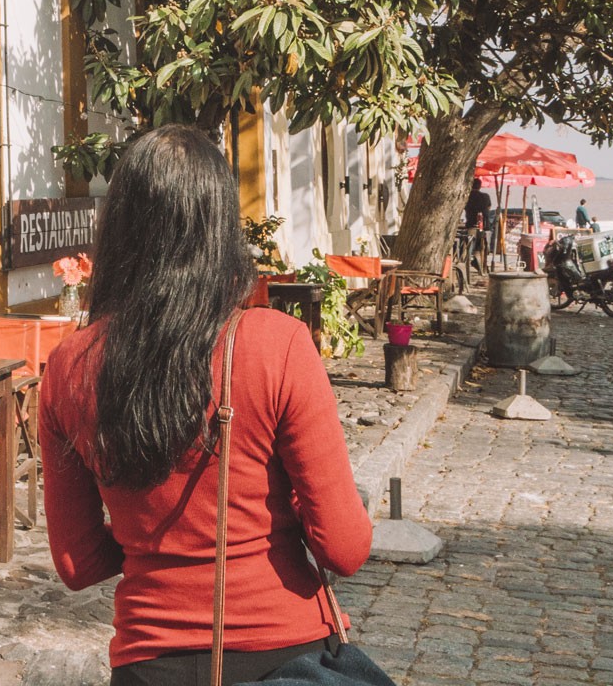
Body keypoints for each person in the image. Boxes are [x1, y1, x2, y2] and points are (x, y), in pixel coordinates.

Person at [40, 125, 372, 686]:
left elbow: (78, 564)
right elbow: (344, 547)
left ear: (119, 227)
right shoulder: (278, 344)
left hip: (147, 662)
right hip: (284, 655)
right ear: (220, 227)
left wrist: (154, 544)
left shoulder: (69, 367)